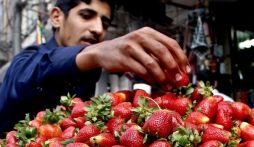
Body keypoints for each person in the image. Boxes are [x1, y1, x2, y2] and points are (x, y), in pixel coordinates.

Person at [0, 0, 191, 135]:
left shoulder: (90, 71)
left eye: (105, 23)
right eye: (86, 15)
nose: (98, 29)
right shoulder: (27, 59)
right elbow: (23, 75)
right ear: (57, 17)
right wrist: (92, 53)